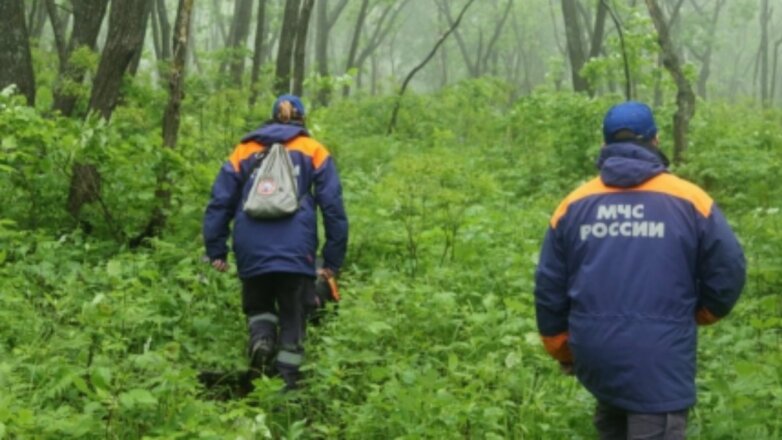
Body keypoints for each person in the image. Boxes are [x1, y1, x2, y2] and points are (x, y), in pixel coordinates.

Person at [533, 101, 746, 439]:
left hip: (597, 355)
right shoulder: (690, 199)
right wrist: (703, 313)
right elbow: (729, 268)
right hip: (659, 362)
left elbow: (549, 285)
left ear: (605, 146)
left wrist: (561, 347)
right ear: (656, 141)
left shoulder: (573, 204)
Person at [203, 94, 348, 390]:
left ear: (271, 118)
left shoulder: (244, 150)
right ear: (302, 120)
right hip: (296, 250)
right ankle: (287, 383)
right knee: (293, 312)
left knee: (259, 305)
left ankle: (261, 341)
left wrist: (216, 248)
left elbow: (220, 201)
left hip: (250, 245)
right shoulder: (314, 150)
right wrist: (332, 259)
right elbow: (332, 206)